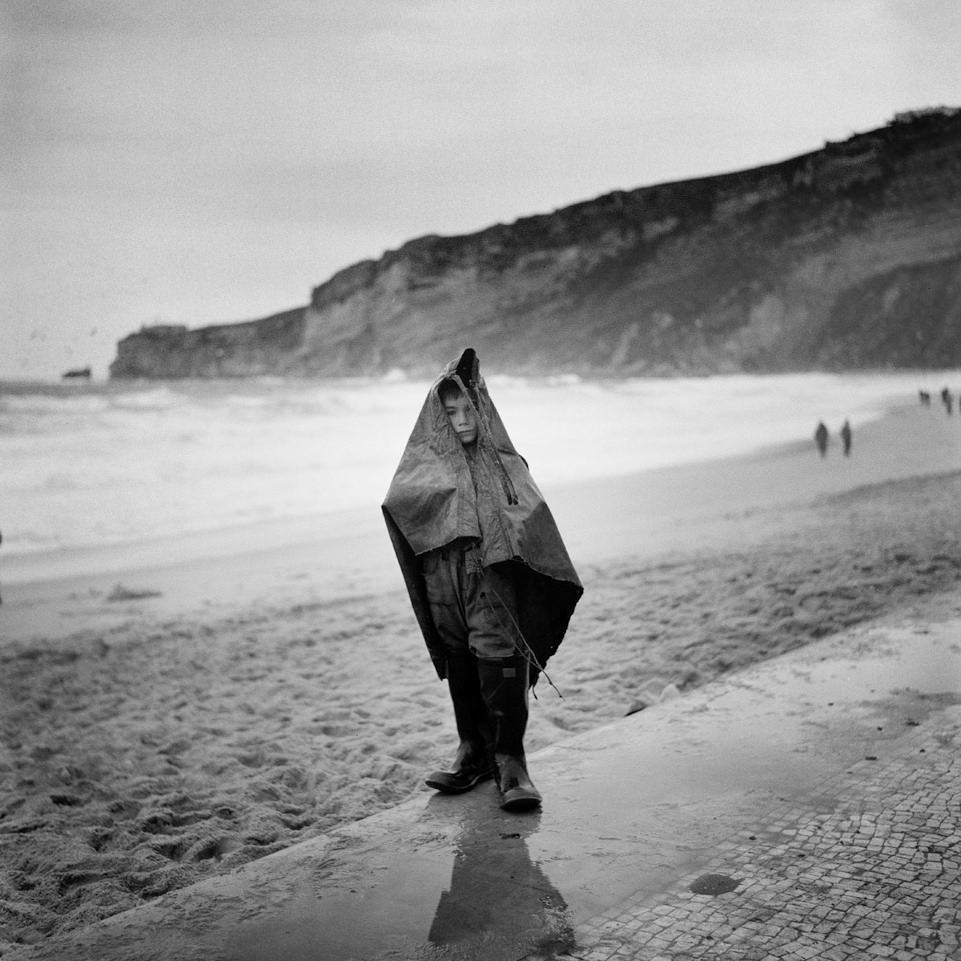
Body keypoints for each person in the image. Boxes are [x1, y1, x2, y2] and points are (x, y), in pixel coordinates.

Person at [383, 349, 582, 811]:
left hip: (490, 578)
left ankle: (510, 760)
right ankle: (471, 751)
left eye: (467, 409)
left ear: (482, 408)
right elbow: (400, 502)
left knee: (499, 653)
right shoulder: (424, 464)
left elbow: (532, 517)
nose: (460, 420)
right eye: (449, 412)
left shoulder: (504, 462)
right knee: (459, 655)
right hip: (442, 578)